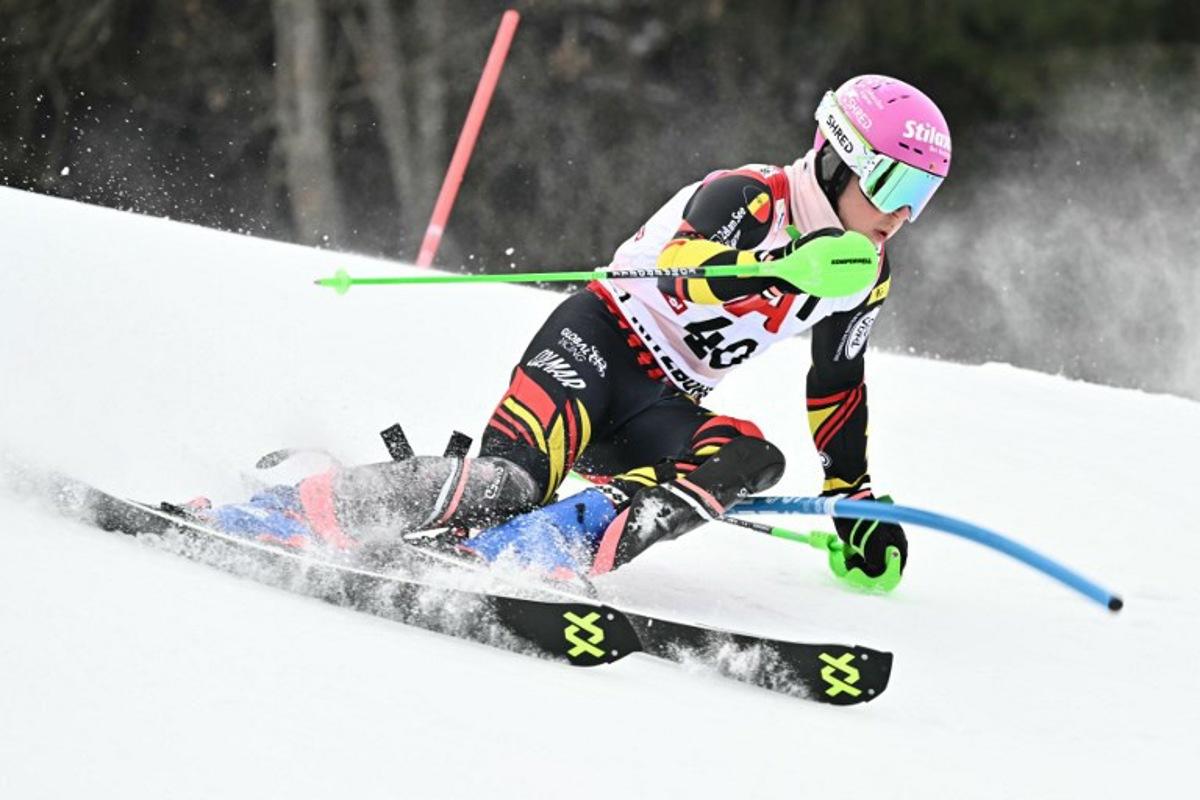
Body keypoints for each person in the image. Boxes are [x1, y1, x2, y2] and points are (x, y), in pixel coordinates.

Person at [197, 74, 951, 582]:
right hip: (596, 345)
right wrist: (782, 270)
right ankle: (282, 511)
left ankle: (533, 553)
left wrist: (851, 497)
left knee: (750, 455)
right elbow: (687, 263)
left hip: (662, 403)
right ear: (837, 159)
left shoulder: (865, 276)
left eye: (923, 194)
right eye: (893, 184)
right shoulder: (752, 197)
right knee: (509, 482)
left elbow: (837, 384)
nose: (900, 214)